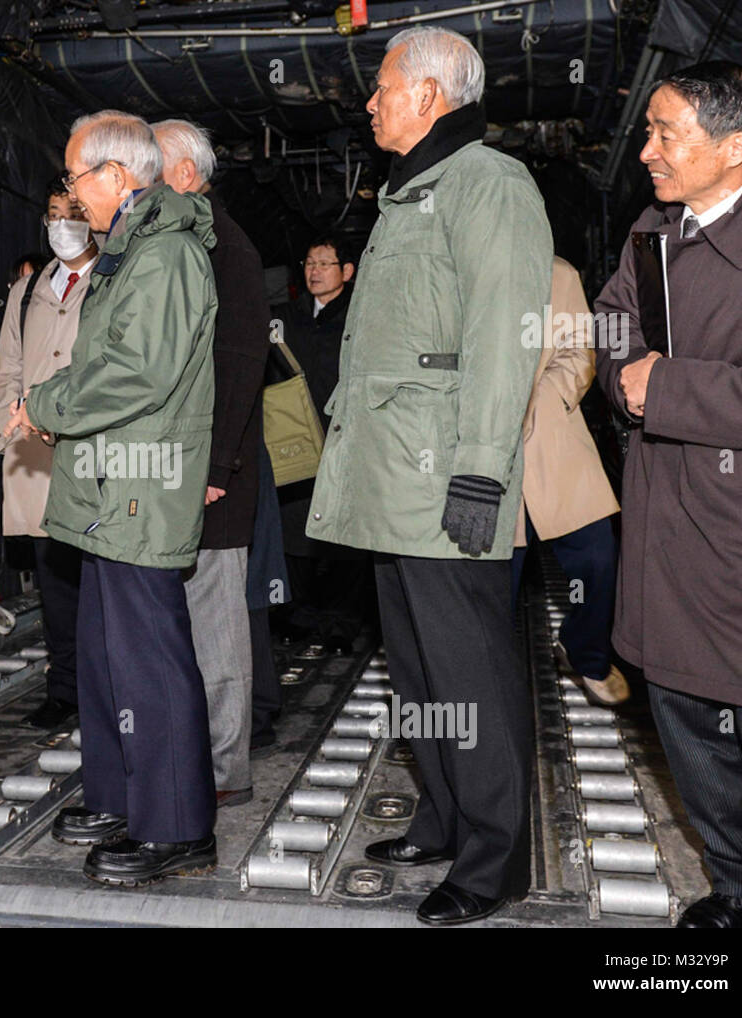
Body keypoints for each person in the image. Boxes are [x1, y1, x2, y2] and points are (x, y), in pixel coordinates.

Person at [306, 26, 551, 924]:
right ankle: (445, 818)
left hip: (445, 482)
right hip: (387, 486)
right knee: (415, 676)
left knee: (471, 676)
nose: (369, 102)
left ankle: (492, 863)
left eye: (381, 87)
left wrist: (483, 473)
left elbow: (502, 340)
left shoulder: (489, 184)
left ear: (429, 95)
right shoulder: (410, 193)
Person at [4, 110, 219, 885]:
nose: (70, 195)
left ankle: (178, 824)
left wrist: (50, 405)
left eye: (74, 178)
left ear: (117, 178)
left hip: (139, 485)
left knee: (150, 663)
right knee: (104, 657)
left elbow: (139, 372)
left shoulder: (164, 257)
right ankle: (122, 795)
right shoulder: (129, 252)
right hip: (107, 484)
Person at [594, 61, 742, 929]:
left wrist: (661, 388)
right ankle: (737, 886)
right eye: (651, 131)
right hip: (664, 527)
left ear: (735, 147)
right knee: (685, 723)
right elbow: (609, 323)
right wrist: (622, 380)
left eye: (668, 133)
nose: (648, 150)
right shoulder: (650, 232)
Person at [153, 118, 270, 807]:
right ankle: (189, 753)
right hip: (173, 471)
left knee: (219, 625)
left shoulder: (227, 250)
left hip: (211, 476)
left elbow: (240, 361)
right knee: (179, 624)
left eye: (152, 169)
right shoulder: (176, 245)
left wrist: (217, 468)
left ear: (188, 175)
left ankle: (227, 770)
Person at [0, 180, 98, 728]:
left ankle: (107, 689)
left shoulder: (113, 276)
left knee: (101, 577)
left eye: (72, 212)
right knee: (55, 580)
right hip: (34, 451)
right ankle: (66, 689)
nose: (61, 223)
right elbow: (8, 362)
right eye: (53, 214)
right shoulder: (27, 290)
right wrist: (13, 412)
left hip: (93, 450)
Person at [513, 257, 625, 706]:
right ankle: (485, 682)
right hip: (480, 451)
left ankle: (586, 653)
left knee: (599, 558)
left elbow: (581, 349)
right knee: (493, 581)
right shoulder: (450, 266)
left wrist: (543, 398)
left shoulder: (557, 273)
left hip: (551, 437)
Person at [272, 235, 372, 652]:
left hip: (343, 440)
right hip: (296, 440)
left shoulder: (361, 318)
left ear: (347, 272)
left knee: (344, 535)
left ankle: (342, 621)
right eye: (310, 263)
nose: (314, 271)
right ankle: (300, 615)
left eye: (325, 264)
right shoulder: (284, 318)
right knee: (294, 530)